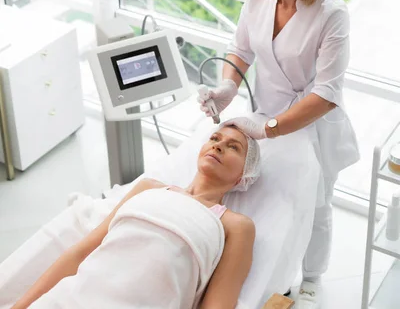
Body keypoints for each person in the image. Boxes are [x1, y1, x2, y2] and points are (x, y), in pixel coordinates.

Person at [198, 0, 360, 308]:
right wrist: (227, 87)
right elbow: (241, 50)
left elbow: (325, 93)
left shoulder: (331, 15)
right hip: (262, 117)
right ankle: (274, 272)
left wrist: (270, 127)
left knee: (315, 205)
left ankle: (311, 278)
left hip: (311, 125)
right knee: (267, 197)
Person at [11, 125, 261, 309]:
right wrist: (20, 306)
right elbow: (80, 253)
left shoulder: (235, 225)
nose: (218, 145)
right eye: (215, 138)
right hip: (71, 299)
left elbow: (217, 305)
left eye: (233, 147)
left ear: (243, 176)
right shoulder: (148, 187)